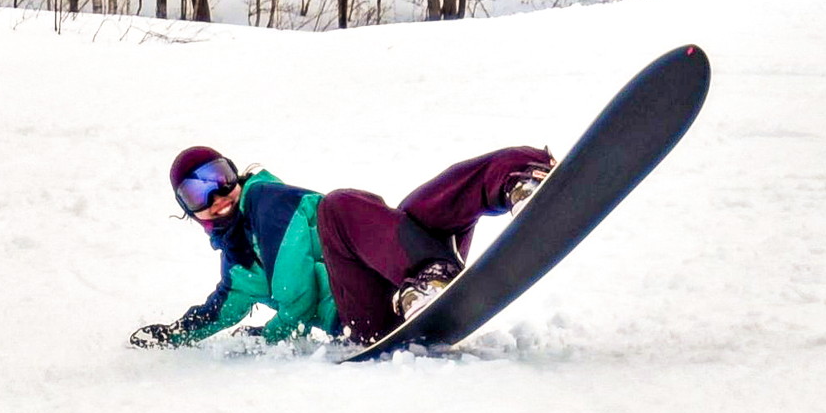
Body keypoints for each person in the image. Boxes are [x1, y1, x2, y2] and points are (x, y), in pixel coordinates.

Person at [129, 145, 555, 348]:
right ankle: (426, 275)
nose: (217, 195)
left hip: (400, 281)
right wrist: (173, 335)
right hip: (371, 313)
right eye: (197, 193)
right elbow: (216, 311)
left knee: (408, 208)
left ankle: (519, 177)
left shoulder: (266, 200)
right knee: (382, 211)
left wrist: (267, 334)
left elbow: (297, 293)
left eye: (219, 177)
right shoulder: (239, 267)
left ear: (236, 175)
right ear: (189, 211)